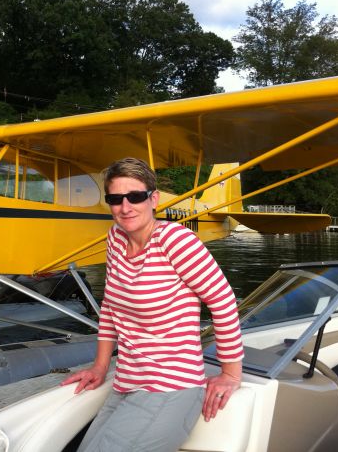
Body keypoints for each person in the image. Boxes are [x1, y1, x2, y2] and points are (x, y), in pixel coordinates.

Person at [61, 157, 244, 452]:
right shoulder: (116, 239)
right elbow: (109, 307)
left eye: (135, 196)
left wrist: (231, 374)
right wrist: (100, 366)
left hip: (171, 389)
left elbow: (222, 301)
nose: (125, 206)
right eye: (115, 198)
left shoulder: (176, 240)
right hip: (126, 384)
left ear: (153, 199)